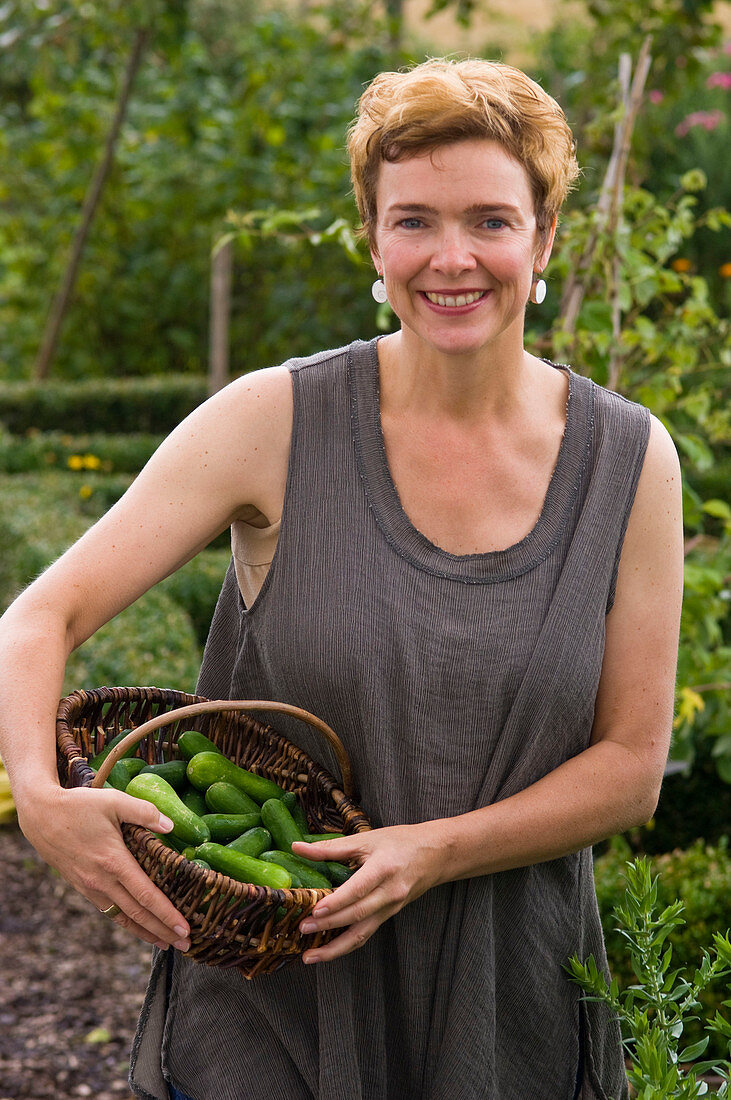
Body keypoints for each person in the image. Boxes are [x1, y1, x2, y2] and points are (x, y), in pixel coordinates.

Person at [0, 57, 683, 1100]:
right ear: (371, 236)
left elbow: (631, 765)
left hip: (510, 1026)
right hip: (272, 1029)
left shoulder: (627, 462)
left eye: (489, 221)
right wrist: (44, 803)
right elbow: (39, 615)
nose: (449, 257)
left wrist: (434, 850)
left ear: (544, 239)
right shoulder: (272, 423)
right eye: (412, 219)